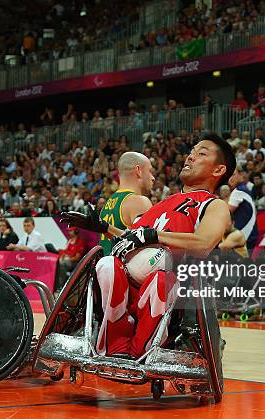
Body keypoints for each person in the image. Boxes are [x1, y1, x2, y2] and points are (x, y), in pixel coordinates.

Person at [62, 131, 234, 358]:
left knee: (161, 279)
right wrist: (103, 227)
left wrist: (155, 235)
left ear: (218, 170)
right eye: (191, 152)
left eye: (200, 154)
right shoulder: (161, 203)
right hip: (130, 284)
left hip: (171, 291)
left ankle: (143, 348)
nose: (190, 157)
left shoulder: (214, 205)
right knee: (107, 264)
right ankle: (116, 344)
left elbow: (203, 243)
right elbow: (134, 238)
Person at [99, 152, 154, 255]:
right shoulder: (139, 202)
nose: (153, 177)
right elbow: (148, 251)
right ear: (139, 171)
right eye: (150, 171)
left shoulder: (106, 204)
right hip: (122, 268)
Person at [227, 166, 259, 250]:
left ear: (241, 175)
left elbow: (226, 213)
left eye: (233, 175)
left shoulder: (238, 191)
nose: (230, 178)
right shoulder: (245, 189)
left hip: (244, 235)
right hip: (250, 233)